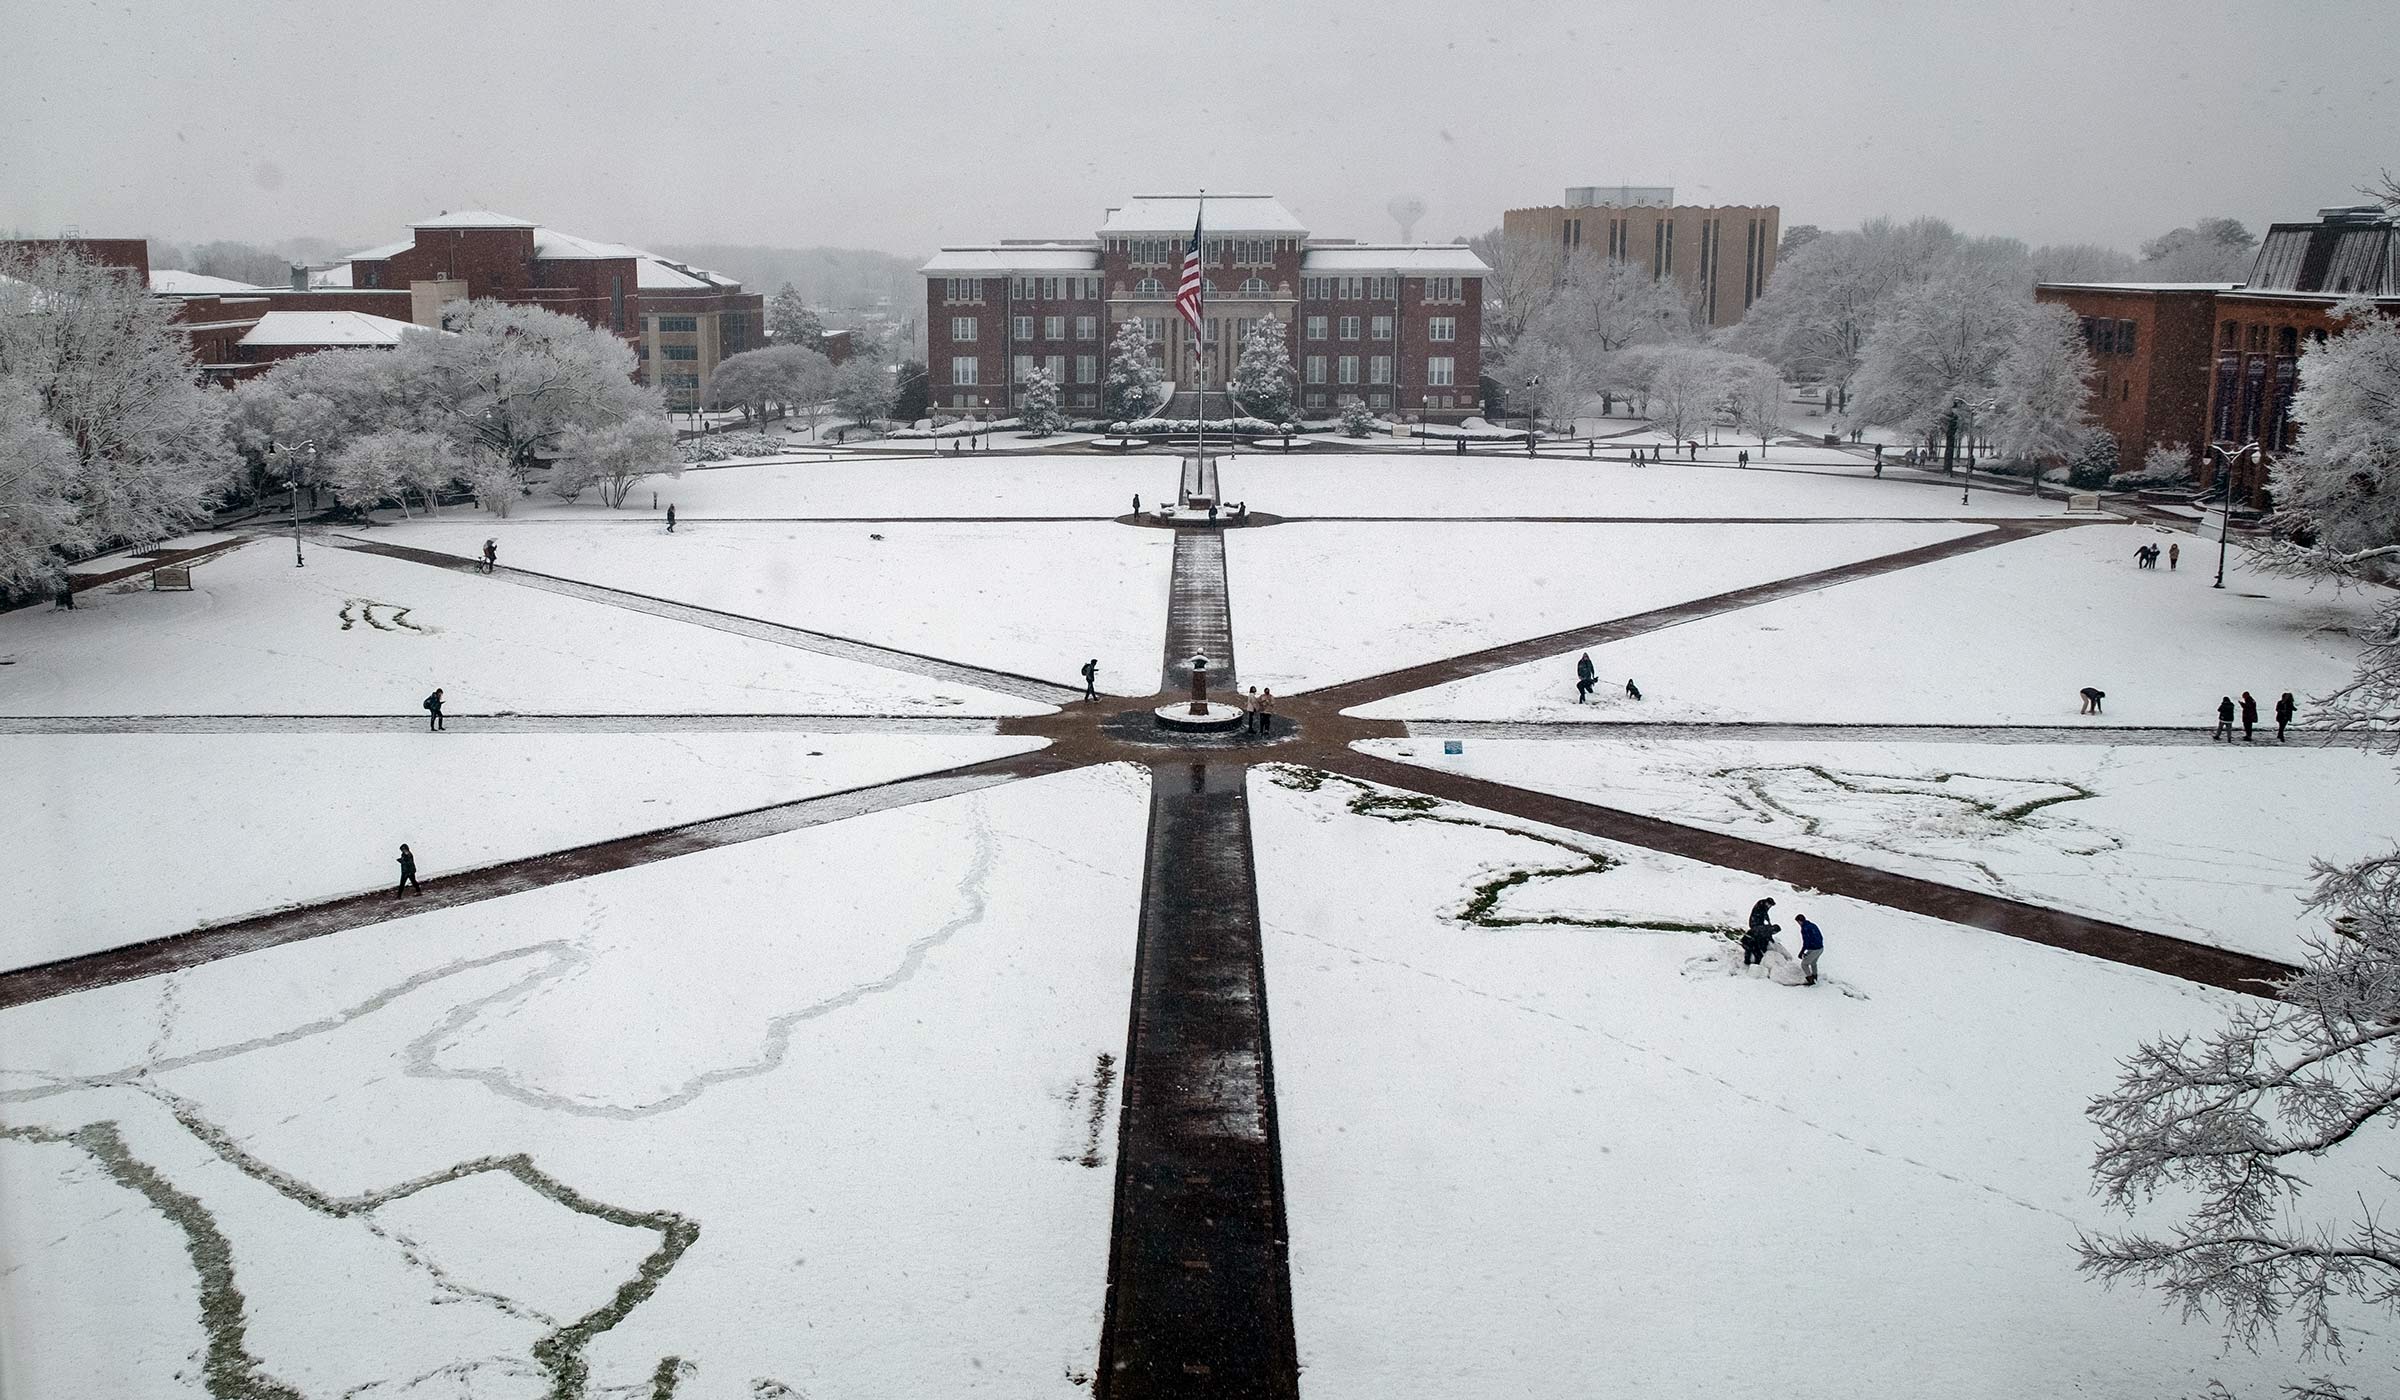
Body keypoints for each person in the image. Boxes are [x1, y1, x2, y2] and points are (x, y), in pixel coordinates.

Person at [1743, 896, 1779, 968]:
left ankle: (1750, 961)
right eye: (1770, 905)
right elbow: (1763, 914)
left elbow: (1766, 914)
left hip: (1750, 935)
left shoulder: (1765, 906)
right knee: (1754, 948)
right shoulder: (1760, 904)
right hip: (1754, 923)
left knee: (1754, 945)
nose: (1770, 907)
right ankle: (1753, 965)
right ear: (1767, 902)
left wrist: (1768, 922)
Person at [1795, 913, 1825, 986]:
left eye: (1798, 922)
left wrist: (1801, 952)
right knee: (1813, 963)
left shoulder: (1805, 928)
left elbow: (1806, 942)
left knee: (1804, 964)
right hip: (1820, 948)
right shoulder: (1812, 925)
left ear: (1800, 921)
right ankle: (1815, 976)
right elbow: (1820, 936)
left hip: (1814, 949)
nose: (1798, 924)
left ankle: (1811, 980)